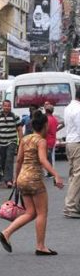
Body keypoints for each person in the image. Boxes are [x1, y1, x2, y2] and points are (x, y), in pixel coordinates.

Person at [0, 110, 64, 255]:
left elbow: (19, 160)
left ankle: (6, 233)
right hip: (34, 179)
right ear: (45, 125)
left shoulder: (25, 139)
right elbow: (43, 160)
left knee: (31, 212)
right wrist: (56, 175)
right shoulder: (41, 141)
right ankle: (40, 246)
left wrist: (16, 179)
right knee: (42, 213)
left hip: (22, 178)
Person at [0, 100, 23, 188]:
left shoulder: (15, 117)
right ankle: (6, 179)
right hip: (1, 143)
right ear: (2, 106)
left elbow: (19, 129)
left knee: (9, 160)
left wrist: (21, 140)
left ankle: (9, 180)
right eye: (5, 106)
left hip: (11, 142)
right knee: (3, 161)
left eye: (9, 106)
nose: (7, 107)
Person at [63, 89, 80, 218]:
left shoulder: (69, 107)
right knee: (77, 175)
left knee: (73, 174)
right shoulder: (78, 109)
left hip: (69, 142)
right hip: (77, 143)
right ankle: (71, 206)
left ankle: (74, 204)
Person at [44, 102, 60, 176]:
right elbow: (58, 126)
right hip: (53, 139)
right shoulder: (54, 119)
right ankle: (50, 171)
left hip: (47, 140)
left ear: (46, 111)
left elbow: (46, 130)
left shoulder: (47, 119)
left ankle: (50, 172)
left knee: (48, 157)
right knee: (49, 156)